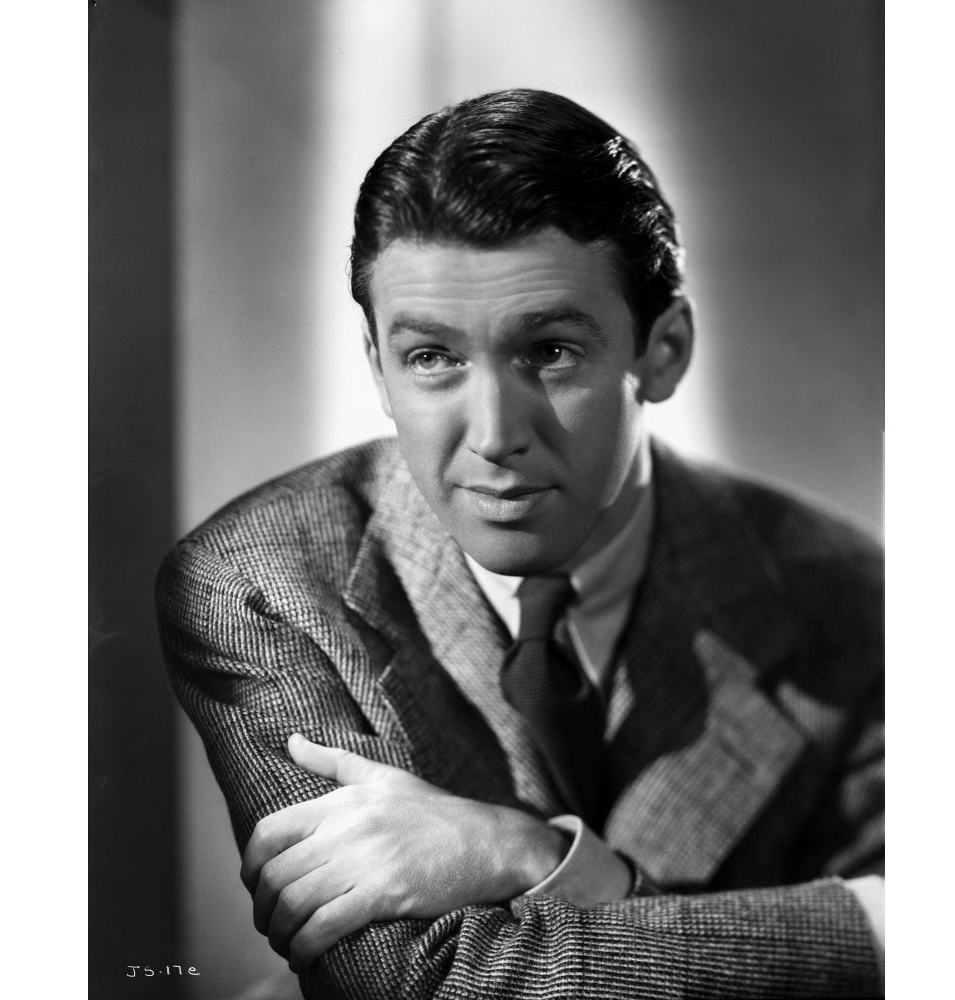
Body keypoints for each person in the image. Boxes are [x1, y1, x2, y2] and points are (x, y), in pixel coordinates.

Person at [157, 88, 884, 999]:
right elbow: (409, 985)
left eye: (549, 352)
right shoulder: (255, 584)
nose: (495, 433)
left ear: (663, 352)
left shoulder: (856, 601)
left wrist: (531, 857)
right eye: (432, 358)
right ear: (377, 366)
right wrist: (874, 930)